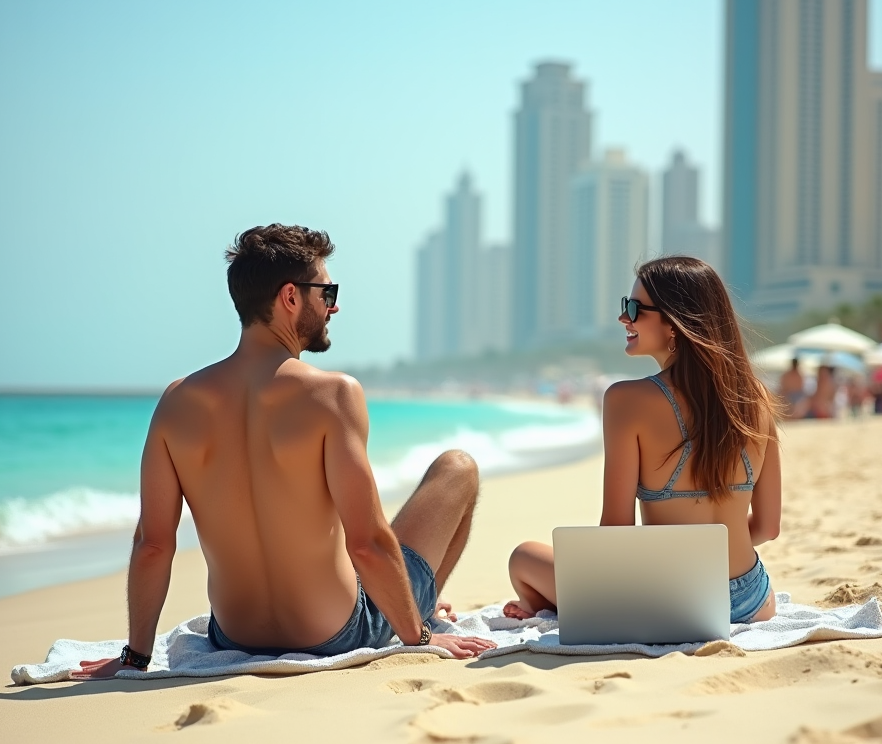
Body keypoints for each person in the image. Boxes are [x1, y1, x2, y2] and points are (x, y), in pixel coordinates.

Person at [74, 225, 495, 678]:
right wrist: (422, 640)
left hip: (234, 635)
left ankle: (413, 609)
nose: (334, 306)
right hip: (337, 632)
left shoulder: (177, 402)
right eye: (326, 292)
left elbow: (153, 544)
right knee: (459, 468)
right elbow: (368, 544)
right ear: (290, 298)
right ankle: (423, 615)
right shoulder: (332, 394)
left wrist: (134, 659)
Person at [503, 256, 781, 625]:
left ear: (675, 324)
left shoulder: (626, 400)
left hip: (668, 598)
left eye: (634, 309)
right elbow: (767, 528)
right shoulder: (757, 398)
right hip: (752, 599)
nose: (624, 318)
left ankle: (542, 607)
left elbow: (617, 531)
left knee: (524, 558)